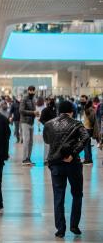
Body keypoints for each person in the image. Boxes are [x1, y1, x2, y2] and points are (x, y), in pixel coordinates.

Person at [43, 101, 89, 238]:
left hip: (56, 163)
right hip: (73, 164)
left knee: (58, 196)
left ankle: (60, 229)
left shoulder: (49, 124)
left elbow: (46, 140)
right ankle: (74, 225)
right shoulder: (77, 124)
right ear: (71, 111)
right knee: (77, 194)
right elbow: (86, 138)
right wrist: (73, 153)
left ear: (59, 111)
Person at [20, 85, 40, 165]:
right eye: (30, 90)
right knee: (26, 140)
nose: (31, 92)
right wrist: (33, 113)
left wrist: (36, 114)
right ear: (28, 90)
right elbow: (21, 110)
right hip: (25, 122)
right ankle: (24, 159)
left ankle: (28, 158)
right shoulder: (24, 99)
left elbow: (33, 110)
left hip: (31, 122)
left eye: (33, 90)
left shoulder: (33, 99)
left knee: (31, 141)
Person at [39, 97, 57, 164]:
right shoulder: (45, 110)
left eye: (52, 100)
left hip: (54, 129)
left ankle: (51, 158)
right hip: (47, 130)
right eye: (50, 100)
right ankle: (46, 160)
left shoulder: (55, 110)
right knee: (47, 144)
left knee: (53, 144)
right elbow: (41, 119)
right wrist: (46, 124)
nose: (51, 102)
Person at [82, 100, 96, 165]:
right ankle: (89, 159)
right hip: (88, 128)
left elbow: (92, 119)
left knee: (86, 145)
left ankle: (87, 160)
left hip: (87, 129)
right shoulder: (90, 109)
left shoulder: (88, 110)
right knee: (88, 145)